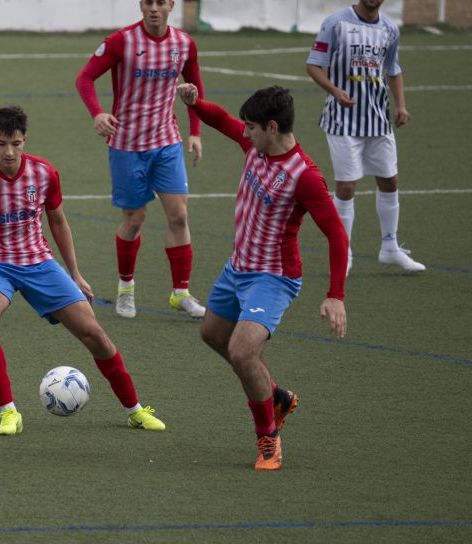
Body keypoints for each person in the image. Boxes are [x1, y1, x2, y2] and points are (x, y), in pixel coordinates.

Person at [0, 106, 166, 435]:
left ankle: (135, 409)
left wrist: (75, 273)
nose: (9, 152)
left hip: (39, 263)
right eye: (1, 144)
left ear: (25, 139)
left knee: (94, 334)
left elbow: (58, 222)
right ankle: (9, 412)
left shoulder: (44, 174)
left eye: (15, 143)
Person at [176, 83, 348, 470]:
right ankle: (276, 396)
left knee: (241, 350)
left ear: (272, 127)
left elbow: (337, 234)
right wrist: (195, 102)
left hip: (273, 278)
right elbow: (222, 120)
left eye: (252, 126)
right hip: (237, 267)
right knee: (212, 335)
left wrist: (335, 294)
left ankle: (268, 437)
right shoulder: (255, 145)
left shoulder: (304, 176)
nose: (245, 131)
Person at [75, 0, 205, 319]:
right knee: (134, 220)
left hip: (166, 143)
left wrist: (195, 131)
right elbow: (84, 79)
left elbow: (195, 87)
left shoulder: (184, 43)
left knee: (179, 216)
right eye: (149, 2)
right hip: (127, 145)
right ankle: (126, 289)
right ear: (141, 5)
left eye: (161, 2)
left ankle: (181, 293)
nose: (154, 9)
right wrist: (98, 114)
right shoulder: (121, 41)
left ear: (171, 5)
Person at [306, 0, 424, 274]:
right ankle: (343, 251)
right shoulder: (336, 23)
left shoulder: (390, 29)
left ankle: (390, 248)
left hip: (378, 119)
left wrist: (401, 105)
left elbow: (393, 69)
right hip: (342, 121)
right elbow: (313, 65)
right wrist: (335, 91)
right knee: (347, 186)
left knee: (389, 180)